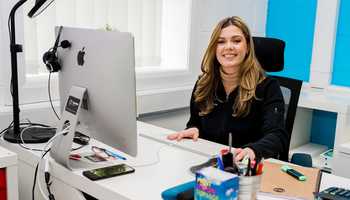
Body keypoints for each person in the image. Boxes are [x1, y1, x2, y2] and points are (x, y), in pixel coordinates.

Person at [167, 16, 288, 162]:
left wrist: (253, 150)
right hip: (210, 164)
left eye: (236, 41)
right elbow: (195, 121)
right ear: (214, 48)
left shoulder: (268, 87)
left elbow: (277, 136)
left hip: (246, 168)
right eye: (221, 42)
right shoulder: (203, 84)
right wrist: (194, 129)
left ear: (248, 46)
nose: (229, 46)